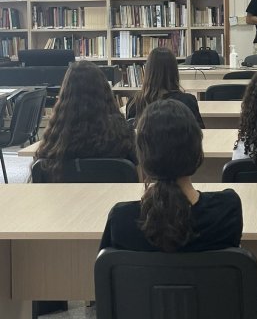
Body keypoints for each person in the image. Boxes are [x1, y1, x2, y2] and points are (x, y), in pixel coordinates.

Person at [100, 99, 243, 252]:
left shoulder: (121, 220)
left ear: (142, 155)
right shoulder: (228, 210)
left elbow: (105, 265)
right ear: (197, 150)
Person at [34, 60, 136, 181]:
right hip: (112, 193)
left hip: (66, 193)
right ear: (105, 92)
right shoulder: (122, 133)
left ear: (65, 93)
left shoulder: (55, 136)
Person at [126, 46, 204, 127]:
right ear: (174, 72)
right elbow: (200, 131)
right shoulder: (187, 101)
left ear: (148, 72)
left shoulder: (134, 102)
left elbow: (129, 131)